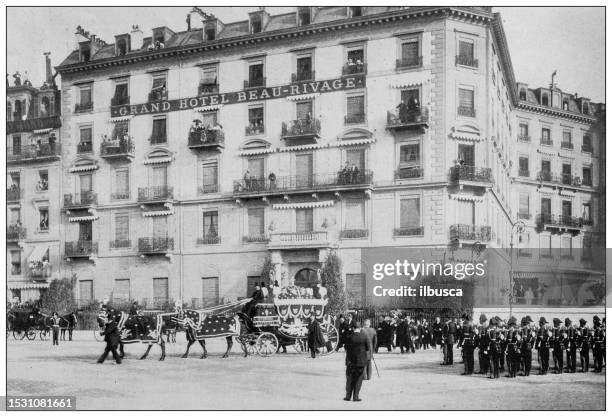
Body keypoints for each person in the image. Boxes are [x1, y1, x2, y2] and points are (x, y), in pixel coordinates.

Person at [344, 322, 369, 402]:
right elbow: (368, 348)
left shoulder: (349, 337)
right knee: (358, 379)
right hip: (361, 361)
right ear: (360, 328)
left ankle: (348, 396)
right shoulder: (364, 337)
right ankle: (356, 396)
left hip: (351, 361)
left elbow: (346, 347)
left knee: (350, 379)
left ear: (353, 328)